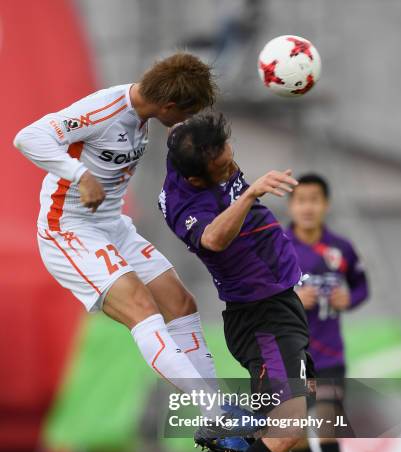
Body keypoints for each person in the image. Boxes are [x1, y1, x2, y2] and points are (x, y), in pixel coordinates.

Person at [132, 112, 315, 452]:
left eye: (232, 158)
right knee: (290, 419)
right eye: (225, 166)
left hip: (281, 307)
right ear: (197, 176)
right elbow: (214, 238)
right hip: (260, 319)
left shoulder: (192, 149)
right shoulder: (184, 204)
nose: (234, 168)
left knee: (264, 432)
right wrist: (252, 193)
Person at [13, 53, 242, 427]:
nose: (185, 120)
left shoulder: (144, 117)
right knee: (142, 309)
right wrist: (79, 174)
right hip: (68, 229)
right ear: (168, 105)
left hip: (113, 226)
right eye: (185, 112)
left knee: (181, 304)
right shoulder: (104, 110)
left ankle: (218, 414)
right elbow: (28, 137)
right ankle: (216, 413)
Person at [287, 174, 369, 452]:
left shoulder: (341, 248)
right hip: (290, 354)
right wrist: (290, 297)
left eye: (314, 199)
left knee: (327, 429)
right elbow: (256, 288)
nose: (307, 206)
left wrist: (347, 300)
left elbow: (362, 284)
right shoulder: (278, 245)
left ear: (326, 205)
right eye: (301, 199)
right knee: (296, 439)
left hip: (331, 354)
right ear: (291, 206)